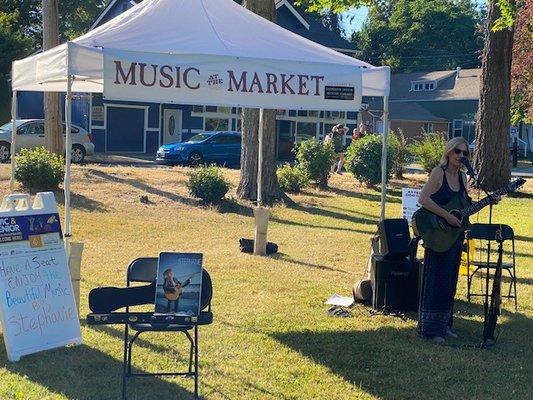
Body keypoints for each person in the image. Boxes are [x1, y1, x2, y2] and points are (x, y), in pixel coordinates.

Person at [417, 137, 499, 343]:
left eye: (465, 153)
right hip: (437, 233)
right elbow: (423, 199)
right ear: (448, 153)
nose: (461, 156)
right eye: (457, 152)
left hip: (455, 235)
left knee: (450, 280)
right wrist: (446, 216)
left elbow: (464, 206)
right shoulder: (439, 173)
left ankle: (444, 326)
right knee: (437, 280)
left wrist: (489, 200)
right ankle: (430, 329)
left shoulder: (463, 177)